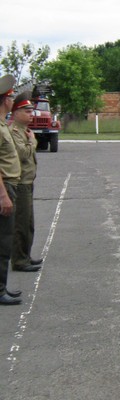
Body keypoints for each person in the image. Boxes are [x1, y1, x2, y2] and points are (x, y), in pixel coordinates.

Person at [10, 92, 42, 272]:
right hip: (20, 183)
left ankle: (25, 256)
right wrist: (32, 143)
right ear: (16, 112)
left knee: (28, 223)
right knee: (21, 224)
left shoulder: (24, 132)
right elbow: (21, 154)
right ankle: (19, 260)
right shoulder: (14, 132)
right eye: (27, 111)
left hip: (28, 182)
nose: (31, 114)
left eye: (32, 111)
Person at [0, 75, 23, 305]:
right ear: (5, 100)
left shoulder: (2, 125)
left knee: (4, 240)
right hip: (4, 187)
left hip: (9, 185)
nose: (12, 101)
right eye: (10, 97)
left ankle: (2, 286)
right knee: (3, 241)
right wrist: (3, 195)